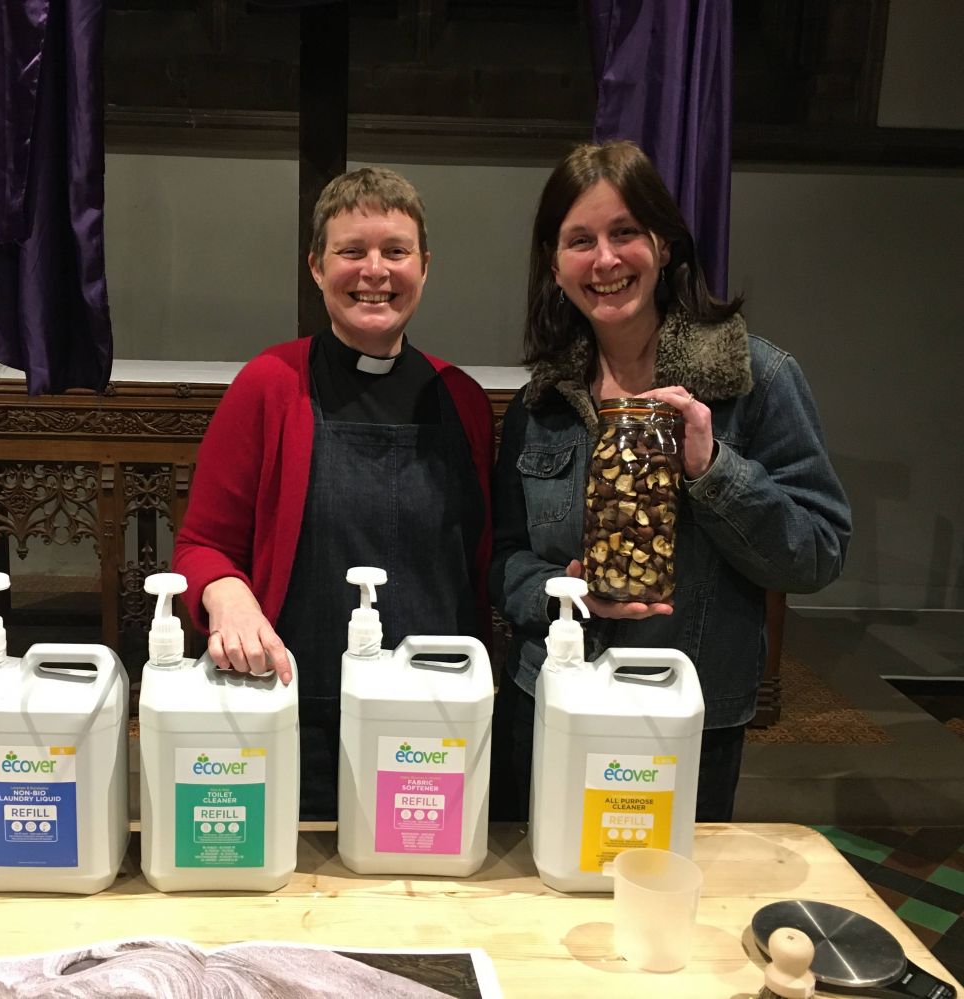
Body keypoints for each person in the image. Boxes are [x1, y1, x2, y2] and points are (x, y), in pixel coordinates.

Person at [489, 141, 851, 821]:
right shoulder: (542, 403)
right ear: (554, 263)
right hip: (553, 700)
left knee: (662, 912)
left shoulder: (758, 381)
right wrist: (561, 590)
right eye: (579, 240)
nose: (605, 260)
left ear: (664, 244)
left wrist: (714, 471)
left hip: (687, 717)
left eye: (625, 232)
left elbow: (818, 552)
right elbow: (503, 559)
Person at [173, 167, 493, 820]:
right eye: (352, 251)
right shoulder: (268, 385)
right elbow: (201, 543)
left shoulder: (461, 400)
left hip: (434, 724)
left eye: (395, 251)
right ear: (317, 266)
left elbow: (481, 566)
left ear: (424, 266)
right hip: (298, 714)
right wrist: (224, 592)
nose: (374, 270)